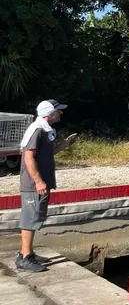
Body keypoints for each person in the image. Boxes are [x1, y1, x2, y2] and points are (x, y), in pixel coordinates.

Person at [17, 99, 77, 272]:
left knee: (35, 217)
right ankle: (25, 258)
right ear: (49, 114)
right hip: (32, 185)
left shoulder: (44, 129)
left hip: (39, 184)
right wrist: (38, 181)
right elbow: (28, 157)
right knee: (30, 219)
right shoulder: (37, 130)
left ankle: (27, 253)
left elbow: (47, 153)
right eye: (58, 111)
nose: (60, 113)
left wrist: (65, 144)